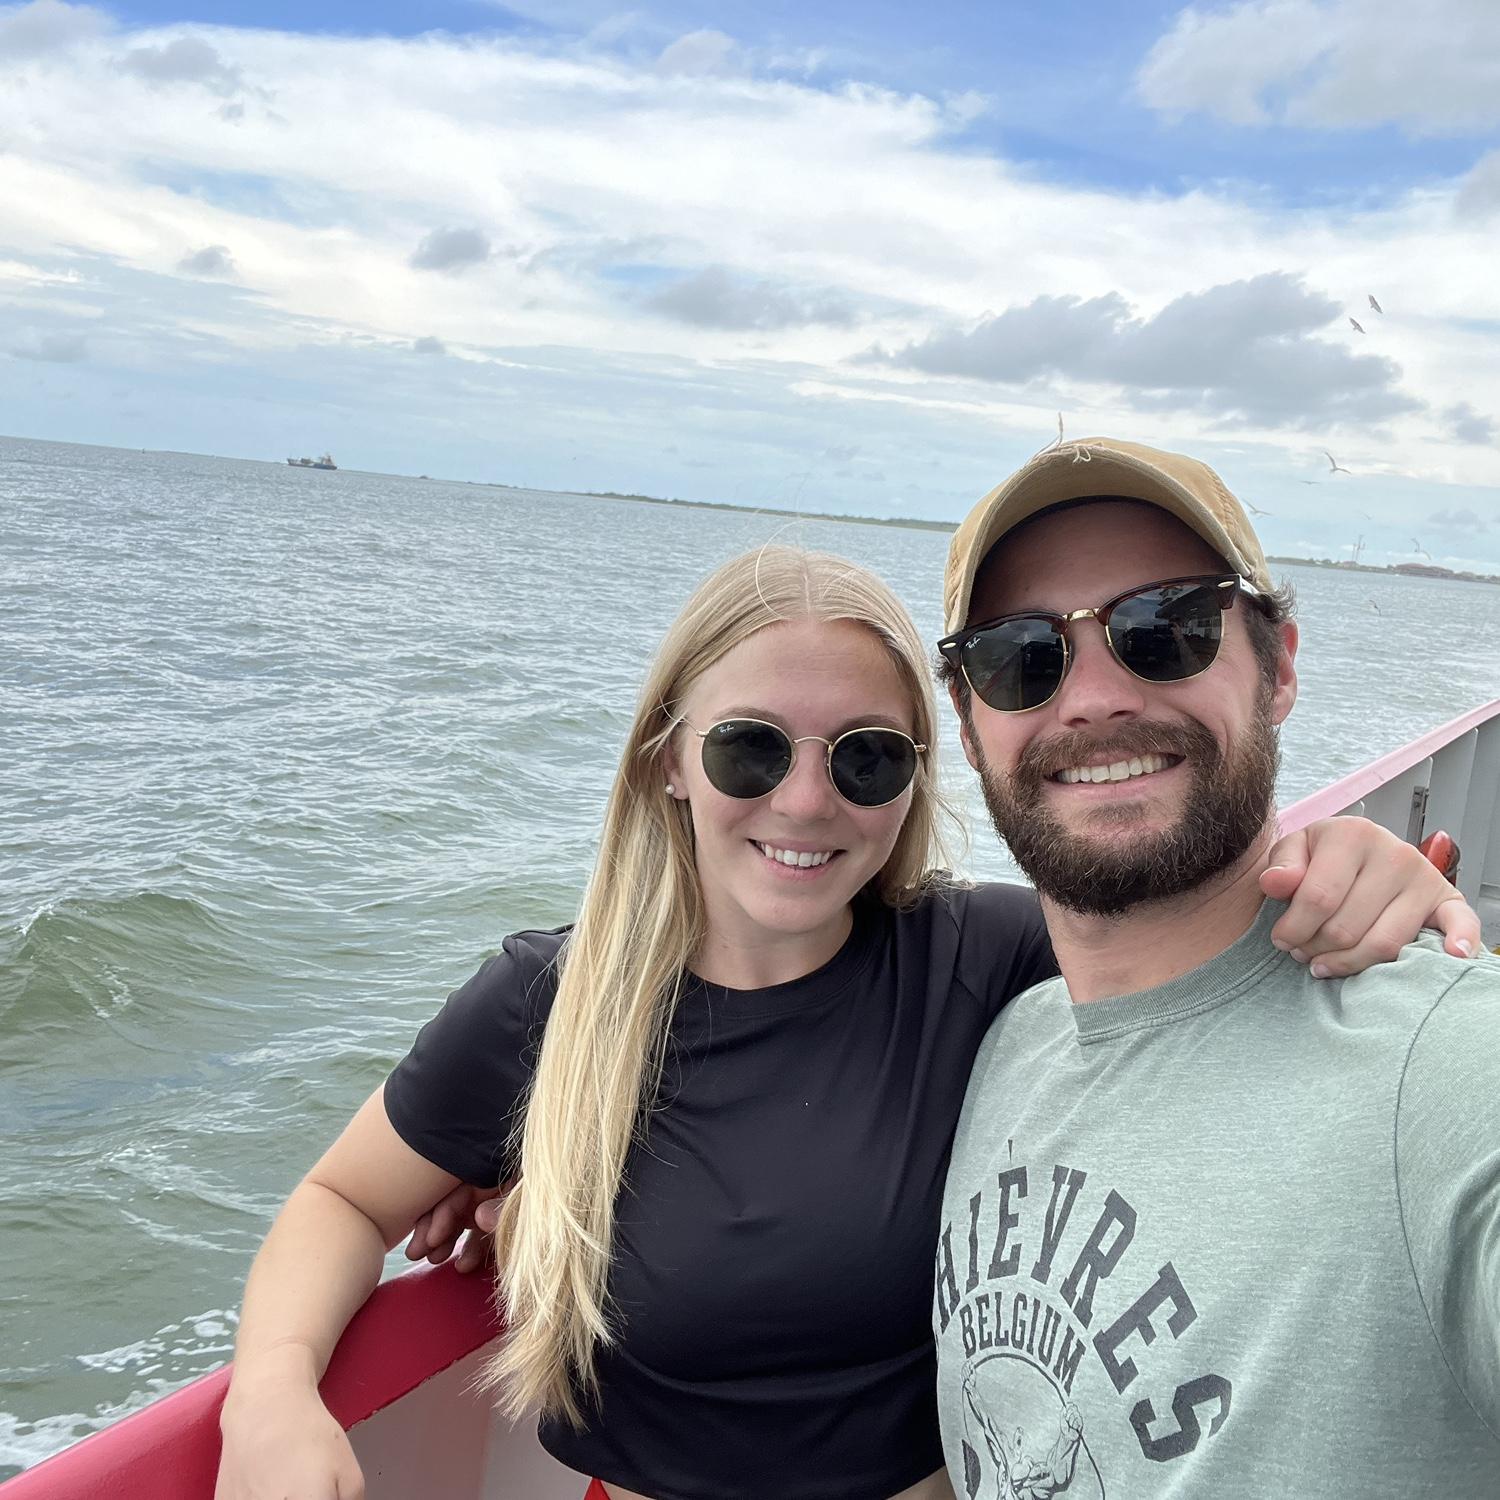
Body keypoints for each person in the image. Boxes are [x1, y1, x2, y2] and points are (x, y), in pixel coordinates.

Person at [214, 544, 1476, 1500]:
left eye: (867, 758)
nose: (808, 803)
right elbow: (341, 1202)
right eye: (751, 752)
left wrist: (1349, 862)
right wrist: (269, 1392)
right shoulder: (552, 1007)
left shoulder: (979, 955)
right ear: (667, 759)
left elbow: (1176, 924)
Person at [931, 436, 1500, 1497]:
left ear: (1278, 667)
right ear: (969, 727)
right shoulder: (1009, 1039)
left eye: (1167, 627)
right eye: (1021, 657)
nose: (1094, 696)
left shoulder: (1440, 1065)